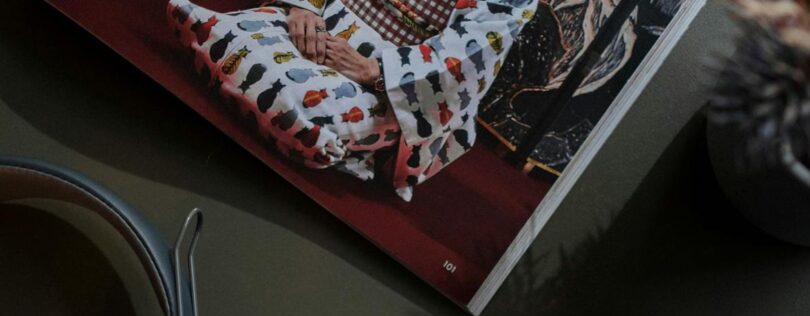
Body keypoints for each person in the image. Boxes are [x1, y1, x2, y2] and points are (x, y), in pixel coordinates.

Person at [168, 0, 537, 199]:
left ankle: (307, 125)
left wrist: (375, 71)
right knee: (240, 34)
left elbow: (467, 58)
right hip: (327, 16)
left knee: (318, 105)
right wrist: (303, 5)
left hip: (391, 73)